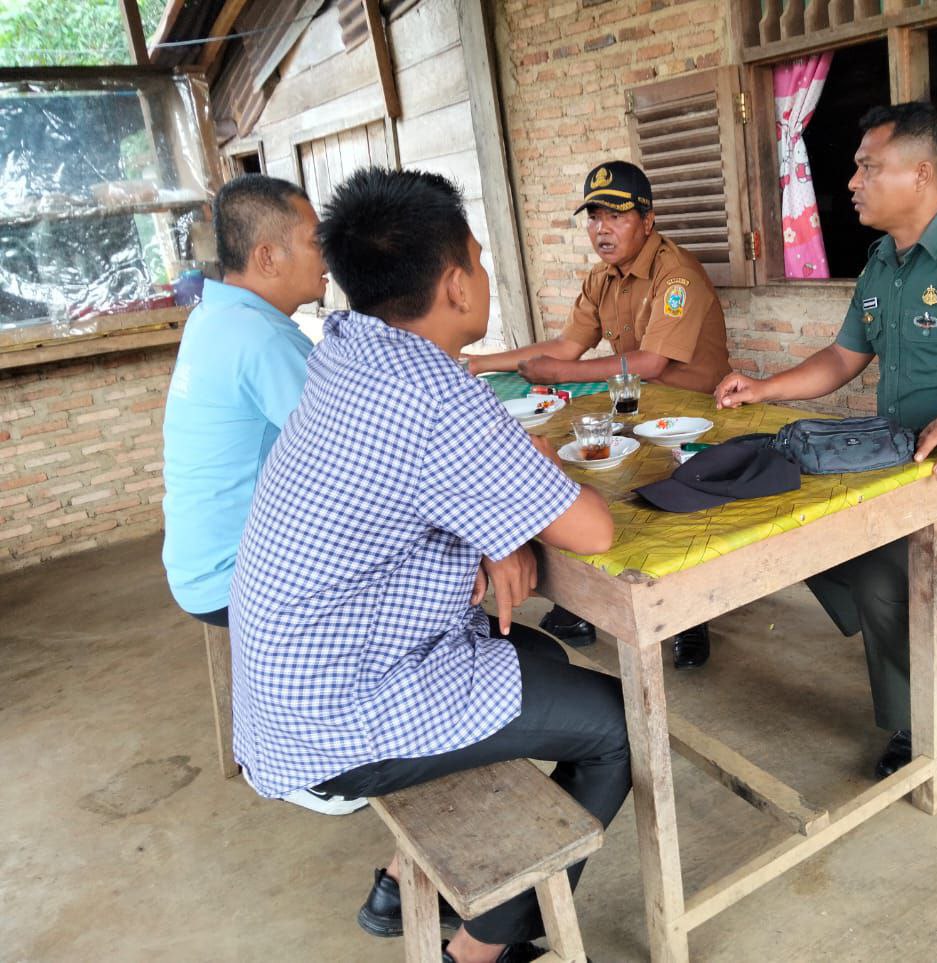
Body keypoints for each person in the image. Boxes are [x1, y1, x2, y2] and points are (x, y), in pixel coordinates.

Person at [229, 167, 630, 963]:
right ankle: (479, 950)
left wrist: (500, 528)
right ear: (453, 284)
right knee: (621, 727)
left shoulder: (348, 349)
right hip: (340, 716)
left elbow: (410, 481)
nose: (482, 274)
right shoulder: (436, 394)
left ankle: (414, 882)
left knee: (543, 657)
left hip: (289, 691)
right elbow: (592, 529)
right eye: (477, 260)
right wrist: (520, 489)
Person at [715, 103, 937, 779]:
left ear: (922, 174)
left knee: (890, 570)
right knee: (798, 520)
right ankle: (904, 623)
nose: (852, 182)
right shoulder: (882, 265)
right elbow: (842, 357)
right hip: (907, 466)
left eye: (868, 167)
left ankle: (927, 713)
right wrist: (764, 387)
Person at [468, 160, 732, 668]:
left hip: (694, 419)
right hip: (637, 412)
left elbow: (652, 363)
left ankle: (690, 618)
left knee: (674, 512)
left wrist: (563, 373)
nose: (602, 229)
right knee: (575, 471)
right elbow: (566, 347)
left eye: (617, 215)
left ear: (648, 220)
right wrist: (482, 362)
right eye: (593, 217)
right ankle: (582, 606)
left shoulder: (676, 274)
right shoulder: (601, 279)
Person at [160, 174, 360, 816]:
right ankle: (320, 761)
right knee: (421, 571)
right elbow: (355, 461)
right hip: (236, 579)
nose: (327, 255)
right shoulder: (262, 337)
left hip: (195, 565)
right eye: (315, 240)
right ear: (268, 257)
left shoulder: (214, 316)